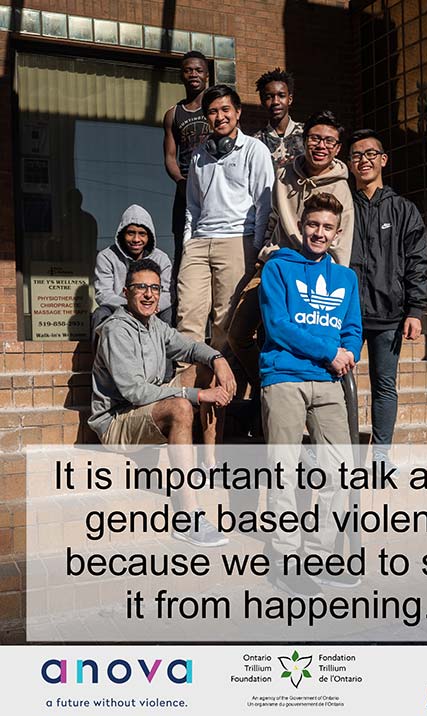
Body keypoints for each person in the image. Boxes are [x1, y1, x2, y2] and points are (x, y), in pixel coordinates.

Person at [88, 258, 236, 547]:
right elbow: (135, 393)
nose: (148, 294)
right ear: (126, 291)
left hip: (143, 412)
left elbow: (191, 347)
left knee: (204, 369)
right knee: (180, 407)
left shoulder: (154, 325)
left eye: (155, 288)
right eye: (141, 287)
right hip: (116, 423)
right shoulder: (116, 330)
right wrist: (195, 396)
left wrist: (218, 359)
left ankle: (208, 465)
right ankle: (187, 516)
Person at [259, 192, 362, 596]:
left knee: (341, 470)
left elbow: (353, 330)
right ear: (301, 226)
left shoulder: (346, 278)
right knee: (282, 470)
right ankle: (286, 560)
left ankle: (318, 554)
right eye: (313, 224)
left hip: (330, 380)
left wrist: (347, 354)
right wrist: (328, 352)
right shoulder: (278, 268)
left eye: (327, 228)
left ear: (337, 234)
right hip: (284, 376)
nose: (319, 233)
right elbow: (279, 326)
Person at [228, 110, 354, 394]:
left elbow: (340, 246)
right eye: (315, 138)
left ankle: (291, 391)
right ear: (304, 139)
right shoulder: (284, 174)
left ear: (337, 148)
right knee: (237, 334)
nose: (321, 146)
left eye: (329, 142)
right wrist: (263, 254)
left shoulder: (342, 188)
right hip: (275, 264)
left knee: (291, 336)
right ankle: (265, 387)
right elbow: (273, 218)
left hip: (312, 276)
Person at [348, 129, 427, 464]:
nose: (363, 160)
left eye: (370, 154)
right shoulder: (342, 206)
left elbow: (418, 260)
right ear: (349, 164)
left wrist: (416, 309)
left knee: (384, 385)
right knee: (340, 387)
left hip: (389, 314)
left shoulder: (403, 210)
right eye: (356, 155)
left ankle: (381, 456)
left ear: (383, 160)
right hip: (345, 314)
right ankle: (345, 453)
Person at [176, 84, 275, 353]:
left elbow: (264, 204)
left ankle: (224, 390)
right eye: (212, 112)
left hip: (236, 241)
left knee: (225, 323)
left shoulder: (255, 150)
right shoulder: (198, 155)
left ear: (238, 112)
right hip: (198, 244)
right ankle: (189, 386)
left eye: (225, 109)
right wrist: (188, 240)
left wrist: (254, 246)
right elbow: (192, 206)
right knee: (188, 318)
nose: (219, 116)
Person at [92, 205, 172, 338]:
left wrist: (148, 307)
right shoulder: (106, 256)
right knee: (100, 314)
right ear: (122, 234)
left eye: (142, 234)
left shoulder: (161, 258)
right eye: (131, 233)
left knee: (170, 314)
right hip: (119, 309)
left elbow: (168, 293)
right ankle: (99, 359)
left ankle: (165, 359)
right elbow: (103, 294)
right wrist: (132, 306)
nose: (136, 239)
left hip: (152, 308)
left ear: (149, 236)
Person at [163, 51, 210, 274]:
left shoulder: (216, 109)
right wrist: (180, 181)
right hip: (185, 190)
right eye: (188, 70)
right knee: (183, 248)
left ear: (207, 75)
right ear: (181, 75)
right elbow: (170, 156)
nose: (194, 74)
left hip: (214, 188)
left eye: (199, 70)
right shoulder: (173, 114)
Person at [253, 67, 304, 170]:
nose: (276, 101)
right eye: (269, 97)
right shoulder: (256, 142)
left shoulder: (306, 134)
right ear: (262, 101)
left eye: (281, 95)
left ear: (289, 99)